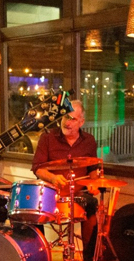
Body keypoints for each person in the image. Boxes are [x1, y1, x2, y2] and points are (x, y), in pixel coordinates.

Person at [31, 100, 100, 241]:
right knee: (32, 209)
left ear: (81, 122)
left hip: (79, 194)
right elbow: (37, 168)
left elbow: (93, 169)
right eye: (65, 117)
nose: (67, 122)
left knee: (92, 206)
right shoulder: (47, 138)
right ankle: (39, 251)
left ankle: (89, 254)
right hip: (51, 195)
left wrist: (94, 183)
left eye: (72, 119)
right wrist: (53, 178)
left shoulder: (89, 141)